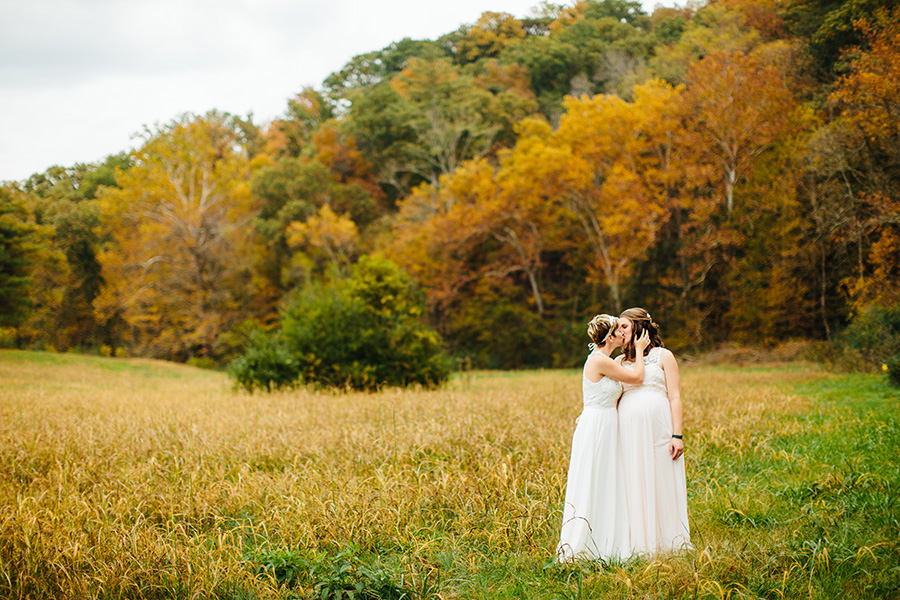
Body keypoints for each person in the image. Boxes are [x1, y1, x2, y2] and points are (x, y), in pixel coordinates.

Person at [557, 314, 650, 562]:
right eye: (618, 330)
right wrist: (640, 351)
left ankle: (607, 539)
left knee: (607, 480)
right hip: (597, 426)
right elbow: (637, 378)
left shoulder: (607, 361)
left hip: (605, 423)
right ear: (610, 337)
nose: (623, 332)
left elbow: (604, 394)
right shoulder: (600, 361)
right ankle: (585, 545)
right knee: (593, 479)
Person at [616, 307, 691, 555]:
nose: (620, 331)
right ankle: (638, 541)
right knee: (633, 479)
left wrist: (677, 435)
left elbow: (675, 397)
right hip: (628, 431)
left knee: (661, 477)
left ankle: (668, 540)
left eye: (624, 326)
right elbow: (609, 398)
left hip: (659, 428)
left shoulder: (663, 356)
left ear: (639, 326)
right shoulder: (618, 362)